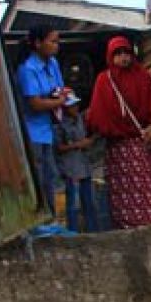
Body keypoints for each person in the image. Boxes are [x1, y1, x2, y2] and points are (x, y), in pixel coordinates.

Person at [86, 36, 151, 228]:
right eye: (118, 53)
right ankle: (127, 226)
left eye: (126, 52)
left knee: (145, 184)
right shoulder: (104, 80)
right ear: (110, 56)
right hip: (116, 145)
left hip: (140, 140)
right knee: (123, 188)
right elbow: (98, 112)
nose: (123, 57)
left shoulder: (143, 76)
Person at [16, 25, 72, 218]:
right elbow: (35, 103)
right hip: (33, 132)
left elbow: (59, 88)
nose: (57, 45)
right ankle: (40, 218)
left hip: (49, 130)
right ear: (38, 43)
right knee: (39, 176)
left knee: (51, 177)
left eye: (58, 41)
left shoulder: (53, 63)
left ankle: (52, 218)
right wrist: (59, 101)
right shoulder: (27, 68)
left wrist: (63, 96)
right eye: (53, 41)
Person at [54, 94, 100, 232]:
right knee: (72, 205)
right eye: (72, 106)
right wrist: (78, 144)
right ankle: (72, 233)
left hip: (84, 165)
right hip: (70, 167)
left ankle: (93, 231)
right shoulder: (60, 124)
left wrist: (89, 141)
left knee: (89, 202)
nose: (75, 108)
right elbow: (59, 148)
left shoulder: (81, 119)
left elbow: (92, 134)